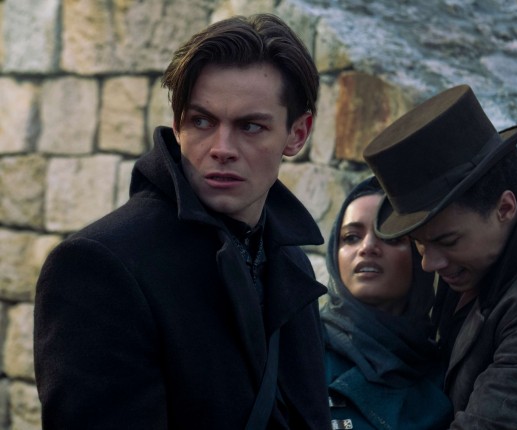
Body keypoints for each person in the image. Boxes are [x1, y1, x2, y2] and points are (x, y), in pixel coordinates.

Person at [34, 14, 331, 429]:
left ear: (297, 134)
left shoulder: (289, 262)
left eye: (250, 126)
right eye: (202, 121)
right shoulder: (100, 265)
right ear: (177, 125)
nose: (222, 148)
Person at [362, 84, 517, 428]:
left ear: (505, 208)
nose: (428, 263)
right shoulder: (485, 253)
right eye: (418, 243)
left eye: (447, 241)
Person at [321, 176, 453, 430]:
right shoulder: (299, 349)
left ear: (419, 256)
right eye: (351, 237)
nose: (367, 247)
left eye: (390, 237)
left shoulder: (450, 370)